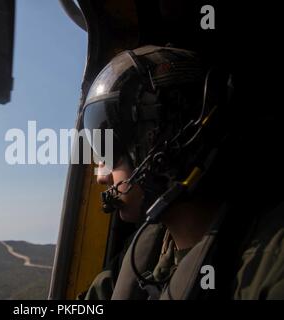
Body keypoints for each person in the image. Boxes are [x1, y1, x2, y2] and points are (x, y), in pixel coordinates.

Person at [81, 45, 284, 300]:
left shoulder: (269, 269)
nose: (101, 176)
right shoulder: (143, 256)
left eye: (110, 153)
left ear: (165, 148)